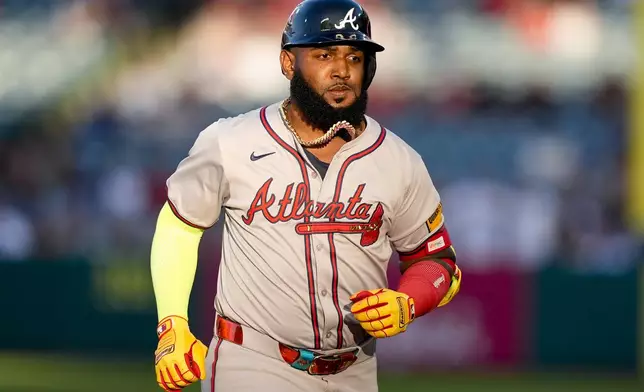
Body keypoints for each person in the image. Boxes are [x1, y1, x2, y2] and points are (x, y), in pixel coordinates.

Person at [150, 0, 462, 391]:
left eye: (354, 56)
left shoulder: (399, 160)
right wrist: (172, 322)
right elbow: (179, 227)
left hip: (356, 368)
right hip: (253, 361)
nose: (341, 70)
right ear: (287, 63)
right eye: (323, 54)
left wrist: (409, 302)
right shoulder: (230, 141)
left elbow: (437, 263)